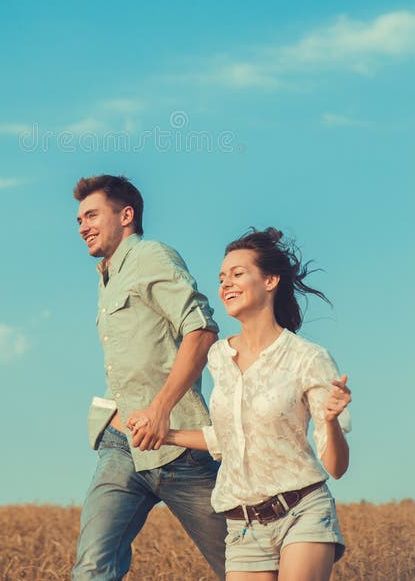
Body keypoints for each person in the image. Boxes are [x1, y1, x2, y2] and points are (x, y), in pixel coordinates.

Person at [129, 227, 351, 581]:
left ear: (270, 281)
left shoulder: (308, 357)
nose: (225, 285)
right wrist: (164, 434)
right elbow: (226, 438)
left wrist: (330, 422)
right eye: (221, 278)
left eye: (237, 274)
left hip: (302, 512)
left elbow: (336, 466)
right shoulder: (219, 356)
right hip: (243, 525)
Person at [72, 174, 227, 580]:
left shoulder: (152, 257)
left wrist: (160, 410)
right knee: (92, 567)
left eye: (91, 215)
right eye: (78, 220)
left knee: (244, 566)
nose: (82, 226)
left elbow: (202, 330)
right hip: (122, 444)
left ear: (127, 215)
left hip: (181, 448)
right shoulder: (106, 277)